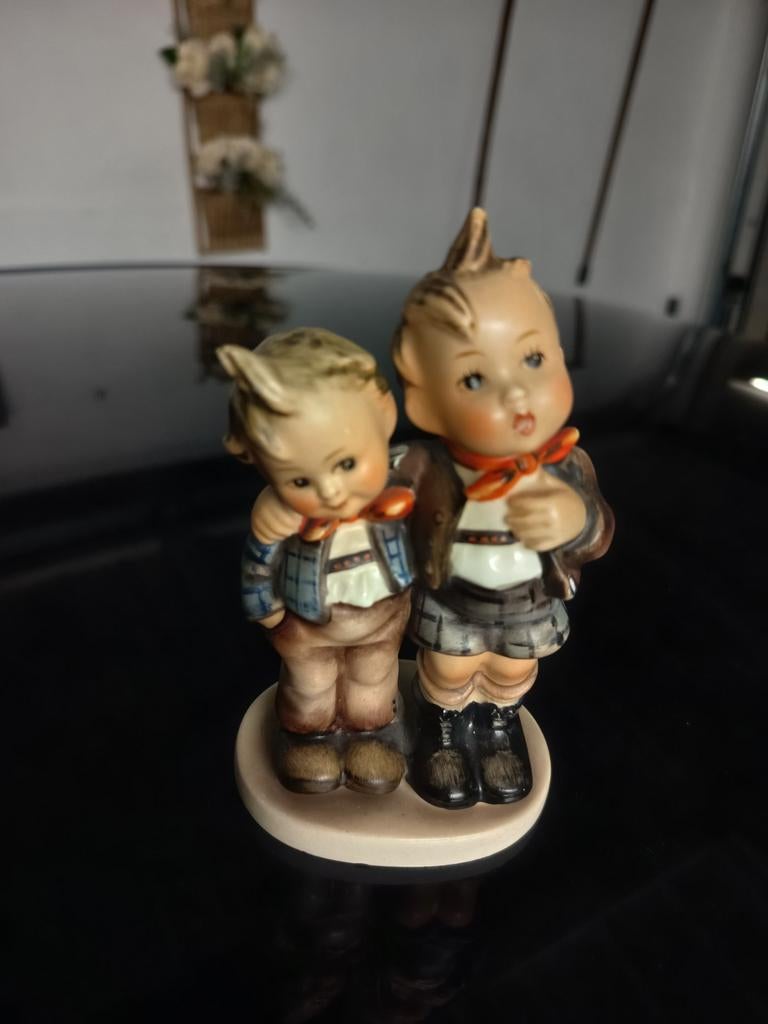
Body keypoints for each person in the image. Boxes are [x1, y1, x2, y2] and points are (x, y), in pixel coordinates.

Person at [393, 208, 614, 809]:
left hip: (530, 598)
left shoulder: (566, 466)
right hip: (452, 596)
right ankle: (442, 730)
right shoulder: (425, 465)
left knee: (514, 668)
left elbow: (598, 528)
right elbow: (376, 506)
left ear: (562, 355)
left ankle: (498, 725)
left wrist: (575, 520)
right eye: (473, 380)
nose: (517, 394)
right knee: (448, 668)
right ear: (423, 402)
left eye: (533, 360)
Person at [218, 328, 413, 796]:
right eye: (300, 481)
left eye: (346, 464)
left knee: (374, 677)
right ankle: (310, 739)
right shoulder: (277, 520)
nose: (330, 491)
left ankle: (370, 735)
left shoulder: (405, 482)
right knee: (310, 686)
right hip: (308, 624)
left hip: (383, 615)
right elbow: (257, 567)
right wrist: (266, 608)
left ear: (384, 413)